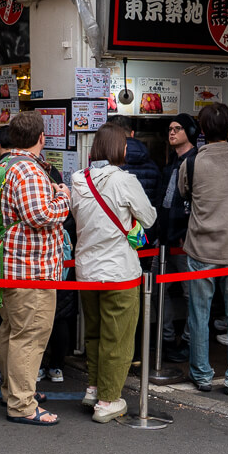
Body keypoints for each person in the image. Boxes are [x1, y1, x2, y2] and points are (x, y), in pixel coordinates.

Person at [70, 123, 156, 423]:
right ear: (120, 149)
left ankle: (93, 389)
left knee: (93, 334)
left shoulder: (78, 179)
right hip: (120, 272)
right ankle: (108, 400)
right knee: (117, 338)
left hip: (86, 270)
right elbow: (148, 216)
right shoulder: (124, 180)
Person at [0, 112, 70, 426]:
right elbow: (39, 214)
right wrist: (63, 199)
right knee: (30, 335)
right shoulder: (28, 170)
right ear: (41, 138)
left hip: (7, 265)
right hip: (30, 268)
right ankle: (23, 404)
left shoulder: (6, 165)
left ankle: (14, 391)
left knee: (12, 332)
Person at [178, 104, 228, 395]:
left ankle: (201, 374)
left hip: (200, 247)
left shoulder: (192, 162)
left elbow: (183, 192)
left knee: (199, 314)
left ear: (200, 130)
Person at [155, 113, 197, 361]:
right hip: (164, 239)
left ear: (189, 132)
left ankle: (190, 340)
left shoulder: (196, 161)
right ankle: (166, 336)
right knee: (160, 291)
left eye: (177, 128)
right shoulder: (170, 161)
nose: (172, 132)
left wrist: (185, 232)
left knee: (192, 293)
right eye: (170, 128)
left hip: (184, 241)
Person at [108, 115, 161, 207]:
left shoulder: (107, 164)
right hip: (144, 219)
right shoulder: (152, 165)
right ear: (132, 133)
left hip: (116, 219)